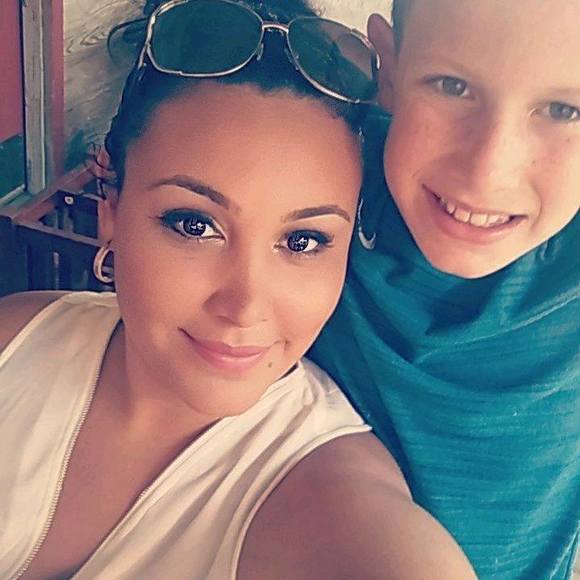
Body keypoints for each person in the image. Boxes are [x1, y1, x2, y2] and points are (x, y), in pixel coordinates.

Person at [0, 1, 476, 579]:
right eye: (194, 224)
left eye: (303, 241)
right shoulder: (17, 338)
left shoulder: (334, 504)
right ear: (111, 210)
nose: (245, 306)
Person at [310, 0, 580, 578]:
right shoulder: (320, 184)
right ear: (388, 68)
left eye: (563, 110)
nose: (488, 170)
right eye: (452, 86)